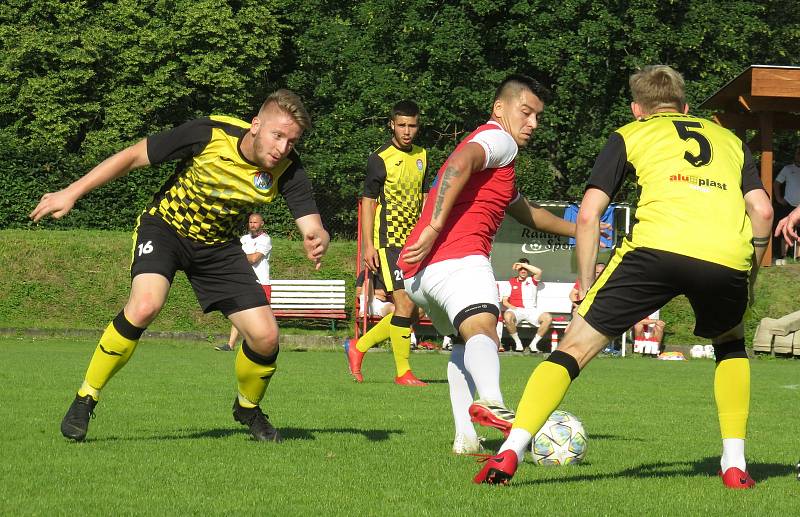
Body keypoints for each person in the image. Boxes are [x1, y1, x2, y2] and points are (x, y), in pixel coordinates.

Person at [475, 65, 773, 489]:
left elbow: (591, 214)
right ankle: (735, 464)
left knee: (573, 349)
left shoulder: (630, 134)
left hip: (655, 250)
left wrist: (585, 283)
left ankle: (509, 453)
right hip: (725, 258)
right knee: (730, 344)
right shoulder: (730, 141)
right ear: (686, 107)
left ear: (638, 109)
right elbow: (761, 211)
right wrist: (752, 271)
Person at [30, 89, 330, 443]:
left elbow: (310, 222)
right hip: (166, 229)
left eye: (291, 141)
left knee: (265, 338)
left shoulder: (288, 168)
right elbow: (131, 157)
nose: (282, 148)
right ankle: (86, 397)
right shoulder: (209, 133)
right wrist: (71, 193)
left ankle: (247, 408)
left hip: (218, 248)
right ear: (255, 125)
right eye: (277, 136)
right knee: (144, 306)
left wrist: (317, 235)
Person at [396, 74, 578, 455]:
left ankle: (465, 436)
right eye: (526, 113)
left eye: (537, 117)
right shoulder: (498, 139)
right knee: (484, 327)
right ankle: (493, 402)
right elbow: (460, 162)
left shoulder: (499, 165)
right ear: (500, 108)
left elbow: (530, 213)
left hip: (418, 274)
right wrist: (433, 226)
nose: (533, 124)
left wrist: (582, 228)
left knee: (465, 343)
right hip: (455, 258)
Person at [347, 100, 430, 386]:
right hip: (388, 241)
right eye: (402, 125)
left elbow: (422, 198)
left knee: (415, 309)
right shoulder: (379, 158)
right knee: (404, 304)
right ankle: (402, 372)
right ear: (391, 125)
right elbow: (369, 203)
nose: (407, 131)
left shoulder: (422, 156)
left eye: (412, 125)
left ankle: (358, 348)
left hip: (413, 242)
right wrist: (369, 245)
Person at [216, 213, 272, 351]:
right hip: (244, 281)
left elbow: (254, 259)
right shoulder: (244, 239)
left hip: (261, 283)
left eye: (255, 222)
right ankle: (230, 345)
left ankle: (262, 346)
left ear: (262, 224)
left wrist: (237, 257)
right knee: (239, 312)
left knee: (260, 319)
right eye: (251, 222)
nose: (253, 225)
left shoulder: (265, 240)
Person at [501, 259, 552, 353]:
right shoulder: (511, 281)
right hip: (516, 310)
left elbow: (539, 271)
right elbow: (505, 301)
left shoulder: (532, 280)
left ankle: (533, 344)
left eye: (525, 268)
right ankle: (518, 343)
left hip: (531, 310)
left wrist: (521, 264)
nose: (523, 271)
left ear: (528, 269)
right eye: (521, 269)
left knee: (548, 318)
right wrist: (513, 308)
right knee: (507, 316)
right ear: (517, 270)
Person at [773, 146, 800, 264]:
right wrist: (779, 198)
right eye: (798, 153)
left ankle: (798, 257)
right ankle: (782, 256)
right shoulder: (787, 169)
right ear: (795, 155)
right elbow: (776, 183)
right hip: (788, 204)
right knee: (783, 228)